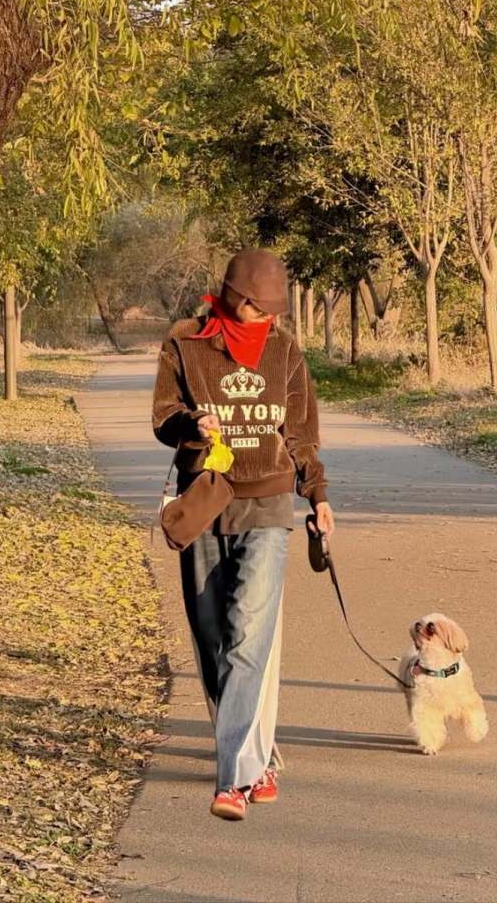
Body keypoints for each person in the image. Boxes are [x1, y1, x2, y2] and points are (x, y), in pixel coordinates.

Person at [152, 248, 334, 821]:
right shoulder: (185, 343)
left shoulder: (284, 350)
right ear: (235, 296)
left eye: (274, 310)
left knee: (248, 633)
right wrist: (192, 423)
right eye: (260, 307)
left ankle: (232, 780)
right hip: (207, 501)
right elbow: (163, 415)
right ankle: (256, 754)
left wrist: (318, 496)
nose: (268, 319)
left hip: (271, 502)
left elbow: (302, 432)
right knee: (212, 640)